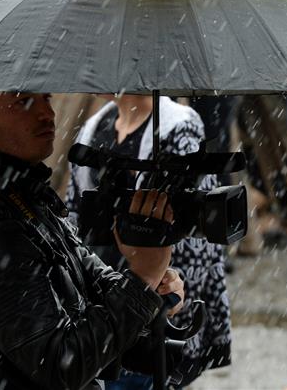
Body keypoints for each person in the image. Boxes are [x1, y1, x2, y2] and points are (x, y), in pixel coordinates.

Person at [0, 91, 185, 389]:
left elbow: (93, 288)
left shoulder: (19, 191)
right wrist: (142, 278)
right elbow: (61, 365)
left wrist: (153, 288)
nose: (48, 113)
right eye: (24, 102)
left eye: (45, 97)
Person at [67, 94, 232, 388]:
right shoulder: (95, 126)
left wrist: (171, 302)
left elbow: (196, 239)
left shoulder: (179, 127)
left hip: (153, 302)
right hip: (104, 302)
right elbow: (75, 217)